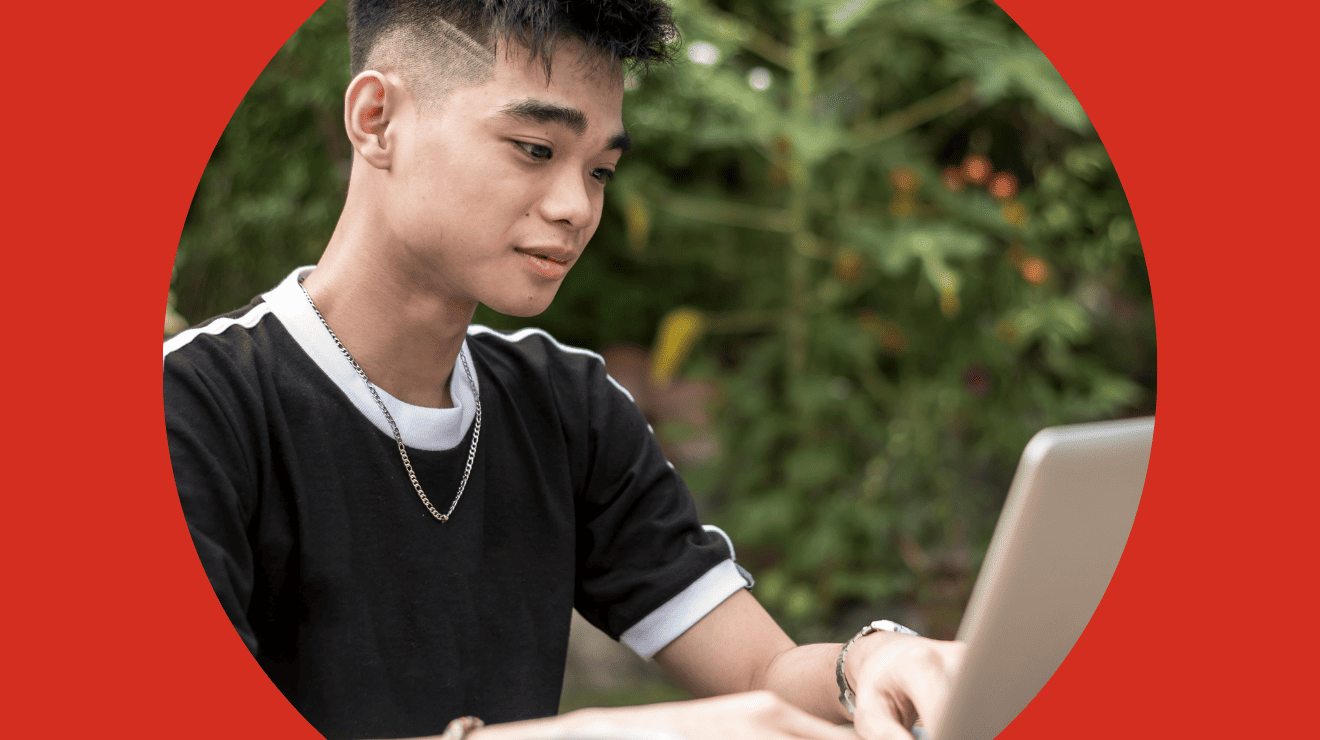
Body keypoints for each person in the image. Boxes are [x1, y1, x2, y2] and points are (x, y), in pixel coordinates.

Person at [163, 2, 964, 739]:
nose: (576, 206)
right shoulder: (192, 409)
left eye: (599, 170)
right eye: (536, 149)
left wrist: (866, 665)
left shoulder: (566, 407)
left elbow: (758, 673)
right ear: (377, 121)